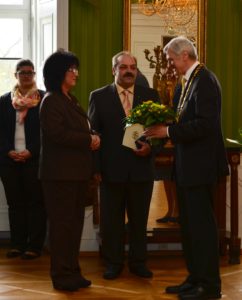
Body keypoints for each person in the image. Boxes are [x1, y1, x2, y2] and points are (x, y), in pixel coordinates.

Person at [144, 36, 229, 300]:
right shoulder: (188, 81)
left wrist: (167, 130)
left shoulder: (205, 81)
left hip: (200, 167)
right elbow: (183, 118)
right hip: (187, 166)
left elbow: (206, 125)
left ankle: (209, 286)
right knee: (190, 228)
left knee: (202, 228)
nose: (169, 64)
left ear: (184, 56)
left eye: (170, 59)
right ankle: (195, 278)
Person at [88, 51, 160, 280]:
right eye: (123, 67)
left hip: (141, 169)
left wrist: (152, 149)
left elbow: (160, 132)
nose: (128, 71)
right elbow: (93, 135)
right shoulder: (98, 96)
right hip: (111, 170)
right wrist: (96, 169)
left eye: (132, 67)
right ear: (114, 70)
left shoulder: (150, 95)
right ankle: (113, 263)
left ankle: (139, 263)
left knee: (139, 221)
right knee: (112, 222)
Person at [39, 49, 100, 291]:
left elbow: (78, 129)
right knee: (62, 227)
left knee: (73, 226)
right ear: (58, 73)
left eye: (76, 68)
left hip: (75, 174)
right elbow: (57, 134)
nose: (76, 73)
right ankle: (62, 276)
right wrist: (89, 140)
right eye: (71, 69)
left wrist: (92, 136)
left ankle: (73, 271)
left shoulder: (69, 99)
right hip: (59, 176)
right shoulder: (51, 100)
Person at [0, 59, 46, 259]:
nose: (26, 75)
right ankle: (17, 244)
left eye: (30, 72)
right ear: (15, 75)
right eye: (22, 72)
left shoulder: (44, 99)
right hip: (9, 161)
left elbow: (47, 132)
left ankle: (34, 246)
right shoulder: (4, 101)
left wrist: (31, 151)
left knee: (36, 204)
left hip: (34, 159)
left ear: (34, 75)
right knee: (15, 204)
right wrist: (8, 151)